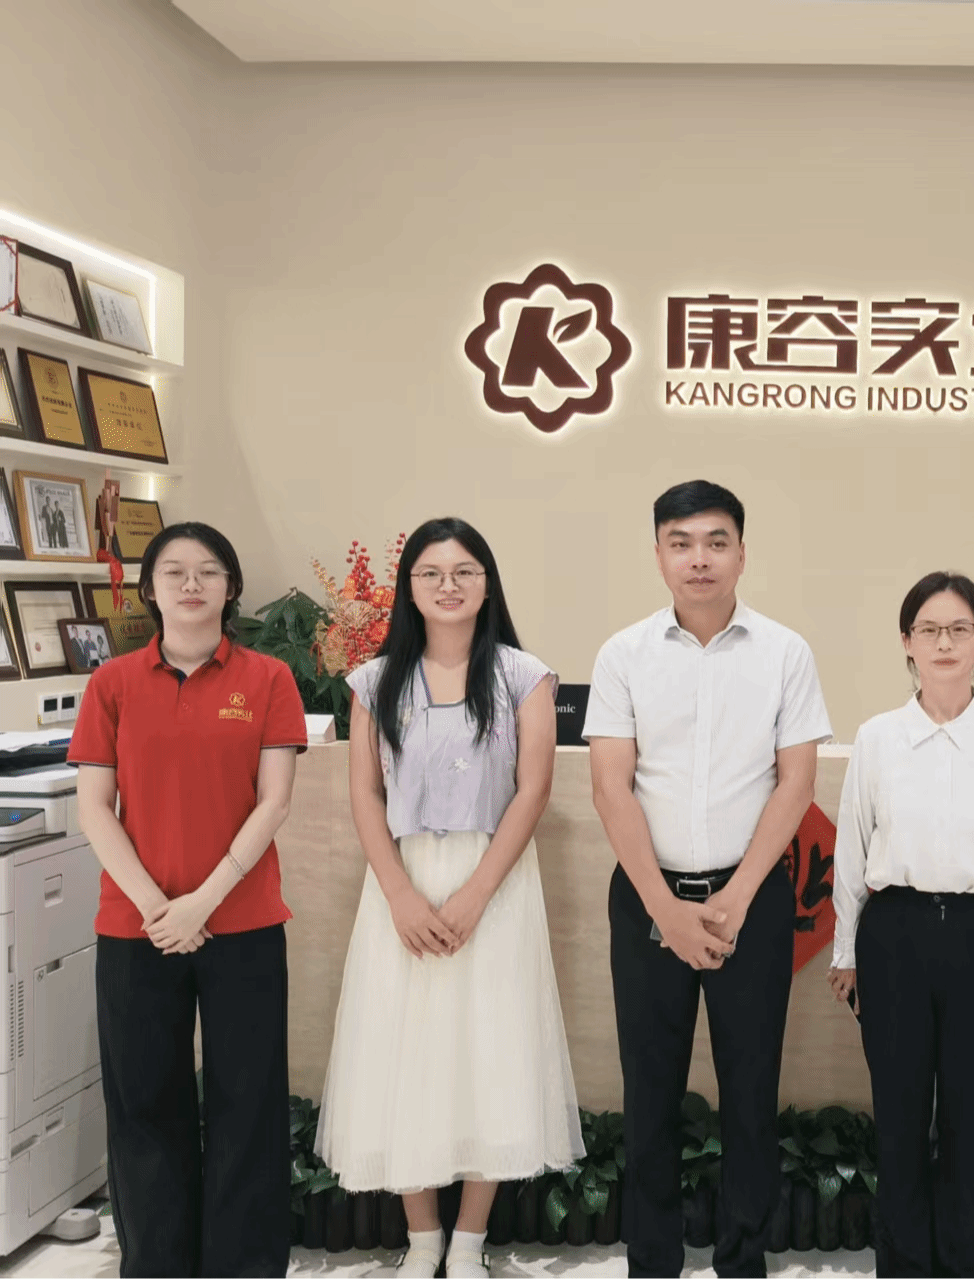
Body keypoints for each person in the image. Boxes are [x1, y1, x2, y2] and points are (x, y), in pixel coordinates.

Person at [316, 517, 582, 1279]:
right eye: (431, 572)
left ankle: (469, 1239)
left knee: (490, 1047)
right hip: (401, 881)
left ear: (487, 584)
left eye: (465, 571)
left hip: (495, 880)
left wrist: (475, 895)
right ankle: (422, 1236)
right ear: (409, 588)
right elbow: (365, 794)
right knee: (405, 1047)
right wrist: (400, 893)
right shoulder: (375, 681)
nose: (449, 585)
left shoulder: (525, 676)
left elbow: (532, 790)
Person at [585, 479, 832, 1279]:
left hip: (750, 899)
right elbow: (610, 787)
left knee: (751, 1095)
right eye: (682, 542)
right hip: (647, 899)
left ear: (742, 553)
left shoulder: (785, 652)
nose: (700, 558)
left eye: (716, 541)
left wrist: (735, 896)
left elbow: (796, 782)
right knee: (649, 1092)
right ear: (659, 553)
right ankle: (652, 1260)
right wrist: (665, 908)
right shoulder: (622, 655)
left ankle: (742, 1259)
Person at [69, 522, 306, 1279]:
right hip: (135, 930)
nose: (192, 583)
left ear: (231, 587)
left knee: (249, 1105)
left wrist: (201, 902)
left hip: (242, 924)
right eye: (174, 571)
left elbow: (273, 802)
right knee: (144, 1107)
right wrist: (157, 907)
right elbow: (95, 807)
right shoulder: (112, 683)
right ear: (150, 589)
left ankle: (244, 1268)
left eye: (209, 570)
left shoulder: (268, 679)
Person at [828, 570, 974, 1277]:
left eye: (960, 628)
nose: (944, 642)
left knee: (970, 1123)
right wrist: (845, 951)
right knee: (898, 1123)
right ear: (907, 642)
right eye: (929, 629)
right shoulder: (877, 737)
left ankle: (963, 1266)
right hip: (893, 935)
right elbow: (850, 851)